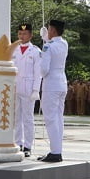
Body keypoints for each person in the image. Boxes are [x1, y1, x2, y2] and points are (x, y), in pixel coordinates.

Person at [37, 19, 68, 163]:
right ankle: (57, 150)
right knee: (59, 118)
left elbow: (44, 70)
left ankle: (55, 152)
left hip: (51, 85)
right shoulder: (64, 43)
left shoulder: (47, 47)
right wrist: (45, 39)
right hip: (62, 83)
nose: (47, 31)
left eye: (49, 29)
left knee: (50, 119)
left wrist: (43, 52)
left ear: (53, 31)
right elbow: (54, 46)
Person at [12, 23, 42, 157]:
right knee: (16, 118)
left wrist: (36, 89)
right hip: (15, 87)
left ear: (30, 35)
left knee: (28, 118)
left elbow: (38, 73)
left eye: (24, 34)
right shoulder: (13, 50)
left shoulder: (35, 51)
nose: (22, 36)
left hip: (28, 88)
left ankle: (28, 146)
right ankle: (18, 143)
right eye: (20, 33)